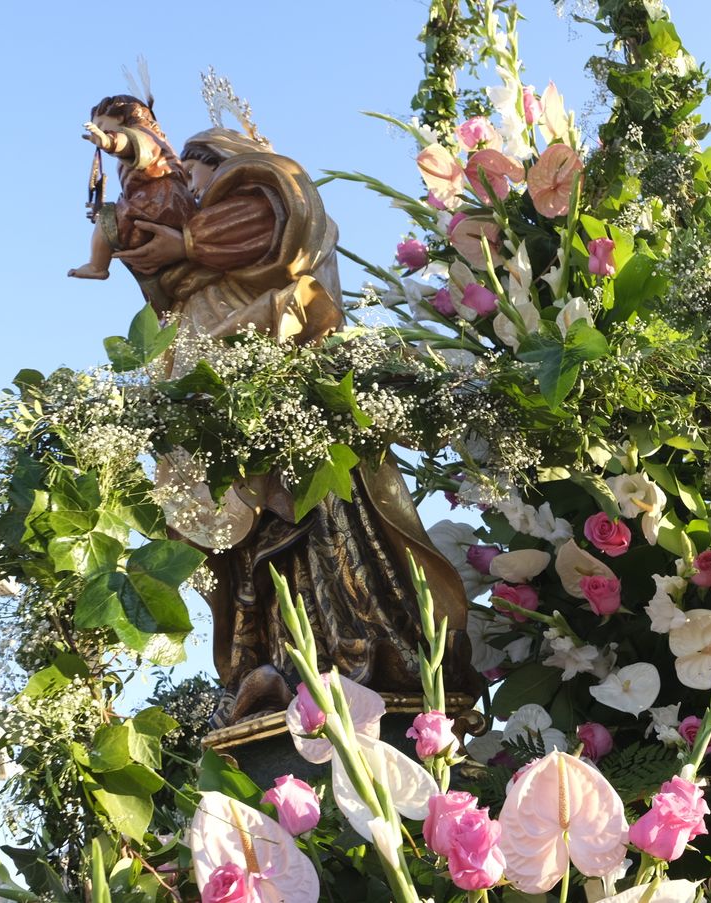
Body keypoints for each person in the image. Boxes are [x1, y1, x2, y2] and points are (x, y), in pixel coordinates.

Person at [115, 128, 480, 728]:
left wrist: (187, 238)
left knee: (334, 543)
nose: (198, 204)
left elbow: (274, 234)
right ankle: (281, 670)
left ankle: (362, 656)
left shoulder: (277, 209)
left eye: (203, 185)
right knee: (262, 564)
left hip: (308, 426)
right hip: (243, 441)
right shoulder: (202, 280)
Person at [68, 95, 197, 281]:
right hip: (166, 202)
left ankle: (97, 266)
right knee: (106, 217)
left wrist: (109, 141)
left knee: (109, 216)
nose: (100, 132)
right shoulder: (152, 142)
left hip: (161, 202)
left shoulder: (145, 135)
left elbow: (131, 142)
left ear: (119, 118)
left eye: (102, 125)